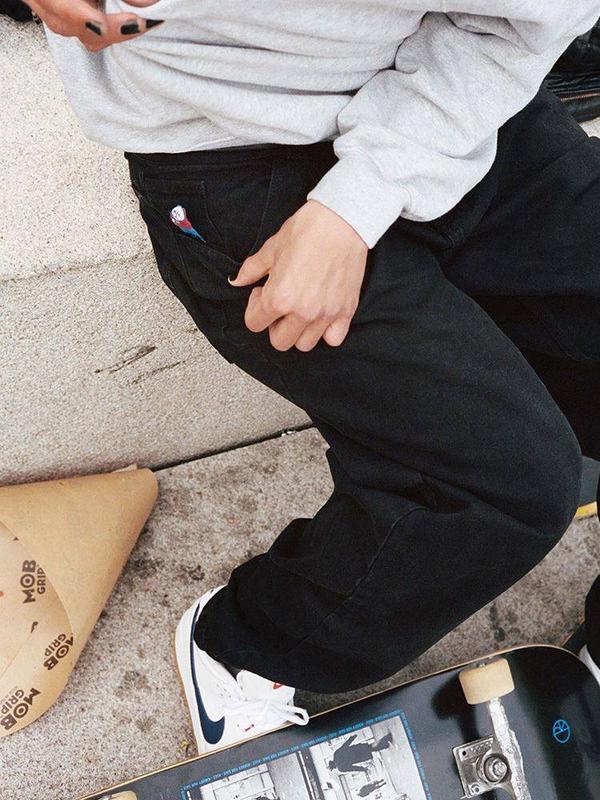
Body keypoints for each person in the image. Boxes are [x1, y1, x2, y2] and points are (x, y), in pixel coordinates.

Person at [27, 0, 600, 756]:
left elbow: (530, 21)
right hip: (228, 140)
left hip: (448, 86)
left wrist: (354, 204)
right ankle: (250, 647)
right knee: (507, 483)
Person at [328, 733, 393, 775]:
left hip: (359, 757)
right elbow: (345, 746)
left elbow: (353, 768)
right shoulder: (336, 754)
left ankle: (386, 738)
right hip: (356, 749)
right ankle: (385, 745)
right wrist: (352, 738)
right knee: (371, 747)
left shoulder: (341, 768)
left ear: (333, 767)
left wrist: (364, 769)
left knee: (371, 748)